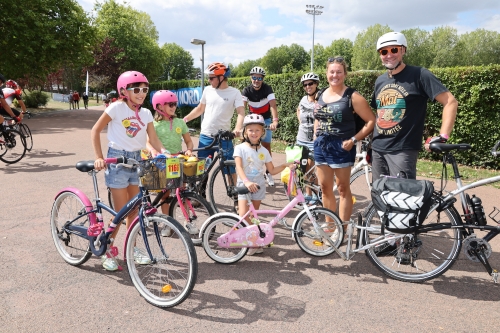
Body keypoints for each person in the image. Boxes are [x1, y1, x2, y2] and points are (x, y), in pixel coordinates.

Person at [91, 71, 168, 271]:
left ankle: (131, 249)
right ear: (124, 91)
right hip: (117, 160)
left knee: (134, 212)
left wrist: (164, 152)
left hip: (137, 161)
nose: (141, 93)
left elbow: (152, 138)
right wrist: (99, 157)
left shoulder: (146, 113)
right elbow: (95, 130)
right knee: (120, 211)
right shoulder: (117, 108)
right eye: (137, 90)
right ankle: (107, 249)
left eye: (145, 90)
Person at [370, 32, 458, 181]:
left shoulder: (419, 74)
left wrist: (442, 136)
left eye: (394, 50)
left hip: (402, 150)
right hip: (378, 149)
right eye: (384, 51)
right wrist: (370, 146)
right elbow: (379, 114)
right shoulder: (380, 80)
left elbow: (450, 101)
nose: (389, 55)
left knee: (403, 198)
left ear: (403, 50)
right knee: (379, 197)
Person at [314, 57, 375, 237]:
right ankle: (330, 226)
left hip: (342, 147)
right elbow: (318, 117)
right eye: (332, 72)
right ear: (326, 73)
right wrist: (315, 137)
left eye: (339, 72)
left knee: (342, 188)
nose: (335, 75)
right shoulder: (321, 93)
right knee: (325, 188)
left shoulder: (352, 96)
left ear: (345, 74)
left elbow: (371, 121)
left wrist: (354, 140)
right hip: (321, 146)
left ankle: (343, 228)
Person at [183, 62, 245, 198]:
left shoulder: (234, 93)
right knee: (202, 167)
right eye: (209, 78)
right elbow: (200, 109)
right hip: (206, 135)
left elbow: (241, 112)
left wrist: (237, 128)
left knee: (230, 168)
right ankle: (200, 196)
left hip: (225, 137)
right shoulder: (207, 90)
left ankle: (235, 197)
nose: (209, 81)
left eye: (212, 78)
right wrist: (185, 120)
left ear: (221, 77)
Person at [234, 114, 293, 255]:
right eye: (250, 130)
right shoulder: (240, 148)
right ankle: (245, 237)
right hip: (244, 185)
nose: (254, 133)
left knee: (254, 215)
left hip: (259, 186)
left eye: (257, 130)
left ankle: (253, 241)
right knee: (243, 215)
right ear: (245, 132)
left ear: (262, 132)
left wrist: (285, 165)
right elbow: (239, 167)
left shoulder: (264, 151)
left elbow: (271, 170)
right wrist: (247, 182)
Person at [146, 90, 195, 235]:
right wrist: (154, 151)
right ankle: (166, 223)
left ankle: (188, 221)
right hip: (163, 162)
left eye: (175, 104)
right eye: (170, 104)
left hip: (178, 160)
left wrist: (189, 150)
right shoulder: (154, 125)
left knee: (183, 192)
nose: (174, 107)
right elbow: (148, 143)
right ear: (159, 107)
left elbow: (188, 141)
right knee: (165, 194)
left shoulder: (180, 122)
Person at [241, 66, 278, 186]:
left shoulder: (267, 89)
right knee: (246, 144)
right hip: (253, 119)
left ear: (262, 79)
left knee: (266, 146)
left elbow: (273, 105)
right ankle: (246, 172)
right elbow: (242, 107)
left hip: (265, 119)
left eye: (259, 78)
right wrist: (240, 124)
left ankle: (268, 172)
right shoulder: (246, 90)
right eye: (254, 77)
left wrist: (275, 121)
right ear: (251, 78)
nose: (256, 80)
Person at [296, 72, 320, 204]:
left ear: (316, 84)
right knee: (304, 168)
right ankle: (308, 194)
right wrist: (302, 123)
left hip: (314, 141)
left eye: (310, 83)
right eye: (305, 84)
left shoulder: (321, 99)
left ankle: (316, 193)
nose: (308, 86)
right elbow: (298, 110)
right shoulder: (303, 99)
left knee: (311, 169)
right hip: (301, 139)